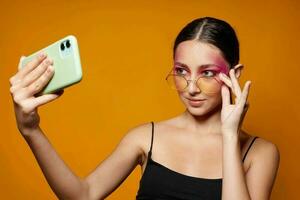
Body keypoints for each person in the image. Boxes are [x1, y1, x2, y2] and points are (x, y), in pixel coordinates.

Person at [9, 16, 280, 200]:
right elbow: (84, 194)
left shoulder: (260, 153)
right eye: (181, 71)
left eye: (207, 73)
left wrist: (230, 136)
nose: (192, 87)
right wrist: (31, 130)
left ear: (235, 73)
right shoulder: (145, 137)